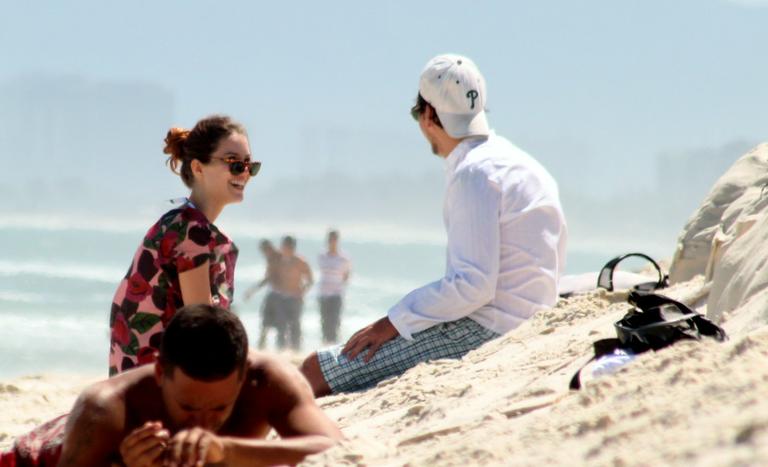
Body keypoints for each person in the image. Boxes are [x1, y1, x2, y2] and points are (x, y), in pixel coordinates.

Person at [301, 54, 567, 396]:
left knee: (313, 371)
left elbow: (473, 286)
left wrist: (393, 322)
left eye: (416, 114)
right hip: (531, 322)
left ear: (428, 115)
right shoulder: (526, 165)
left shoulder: (474, 172)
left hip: (488, 331)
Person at [1, 305, 342, 466]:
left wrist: (226, 451)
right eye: (188, 407)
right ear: (160, 373)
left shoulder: (268, 381)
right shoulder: (105, 407)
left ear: (243, 377)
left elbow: (332, 446)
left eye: (220, 409)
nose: (201, 425)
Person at [109, 115, 261, 375]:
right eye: (234, 163)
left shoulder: (185, 223)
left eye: (250, 165)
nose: (244, 172)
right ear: (198, 168)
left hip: (151, 379)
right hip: (160, 385)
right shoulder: (191, 231)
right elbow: (203, 331)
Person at [243, 239, 287, 349]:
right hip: (274, 293)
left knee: (278, 323)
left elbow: (270, 277)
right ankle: (263, 347)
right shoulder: (272, 258)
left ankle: (279, 348)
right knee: (266, 323)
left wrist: (252, 290)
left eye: (264, 251)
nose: (264, 253)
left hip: (280, 295)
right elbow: (269, 278)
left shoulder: (278, 258)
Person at [274, 236, 313, 350]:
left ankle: (296, 349)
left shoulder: (300, 261)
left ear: (293, 247)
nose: (286, 249)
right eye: (284, 246)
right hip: (281, 297)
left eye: (288, 246)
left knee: (295, 324)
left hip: (295, 298)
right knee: (281, 325)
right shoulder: (278, 261)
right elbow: (272, 277)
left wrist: (302, 291)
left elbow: (310, 280)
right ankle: (280, 350)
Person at [317, 229, 352, 344]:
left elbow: (347, 275)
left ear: (337, 241)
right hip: (323, 293)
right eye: (330, 240)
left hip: (336, 294)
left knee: (335, 321)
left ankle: (333, 344)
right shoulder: (322, 256)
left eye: (334, 239)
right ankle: (325, 343)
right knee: (324, 321)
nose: (332, 242)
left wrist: (339, 286)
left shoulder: (344, 258)